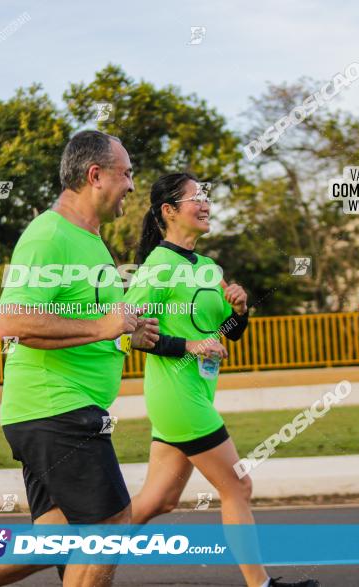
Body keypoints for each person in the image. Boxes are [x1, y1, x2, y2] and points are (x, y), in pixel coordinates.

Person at [0, 130, 159, 587]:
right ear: (95, 175)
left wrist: (125, 335)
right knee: (109, 525)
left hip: (53, 409)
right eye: (127, 173)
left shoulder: (91, 241)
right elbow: (14, 322)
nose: (133, 185)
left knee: (56, 536)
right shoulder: (49, 234)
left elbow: (86, 324)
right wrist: (103, 327)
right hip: (55, 407)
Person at [125, 172, 320, 587]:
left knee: (156, 502)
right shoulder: (158, 267)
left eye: (206, 197)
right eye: (196, 198)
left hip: (196, 393)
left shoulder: (210, 268)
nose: (205, 204)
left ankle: (79, 558)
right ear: (169, 211)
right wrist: (190, 347)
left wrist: (241, 309)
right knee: (238, 486)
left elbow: (226, 334)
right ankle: (260, 584)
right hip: (177, 396)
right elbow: (134, 333)